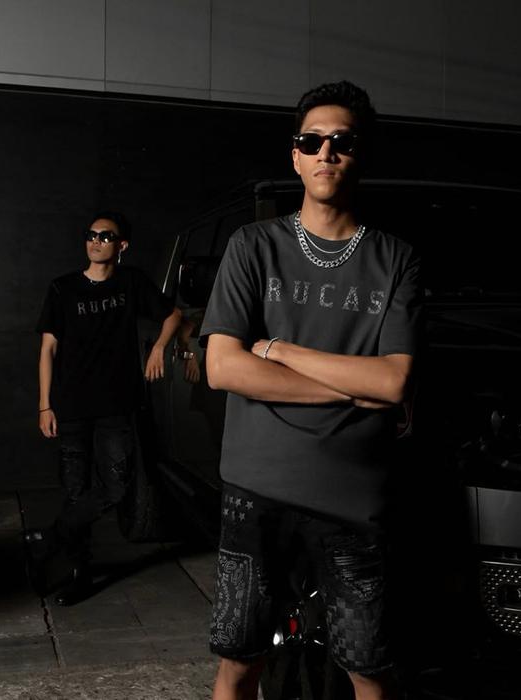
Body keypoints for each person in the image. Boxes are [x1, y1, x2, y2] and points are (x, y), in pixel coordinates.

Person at [200, 81, 422, 700]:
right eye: (312, 141)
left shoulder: (395, 259)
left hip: (353, 498)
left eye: (342, 141)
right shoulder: (253, 246)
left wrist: (280, 350)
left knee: (369, 671)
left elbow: (395, 380)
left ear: (359, 155)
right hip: (257, 488)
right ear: (295, 156)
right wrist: (353, 389)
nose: (326, 151)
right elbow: (223, 368)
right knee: (238, 665)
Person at [25, 211, 181, 606]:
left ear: (121, 245)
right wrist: (44, 405)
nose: (95, 241)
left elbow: (174, 316)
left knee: (116, 487)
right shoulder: (62, 288)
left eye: (105, 236)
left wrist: (158, 348)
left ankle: (47, 539)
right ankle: (80, 573)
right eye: (91, 235)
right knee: (76, 492)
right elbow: (47, 349)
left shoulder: (131, 282)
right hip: (71, 406)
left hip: (116, 405)